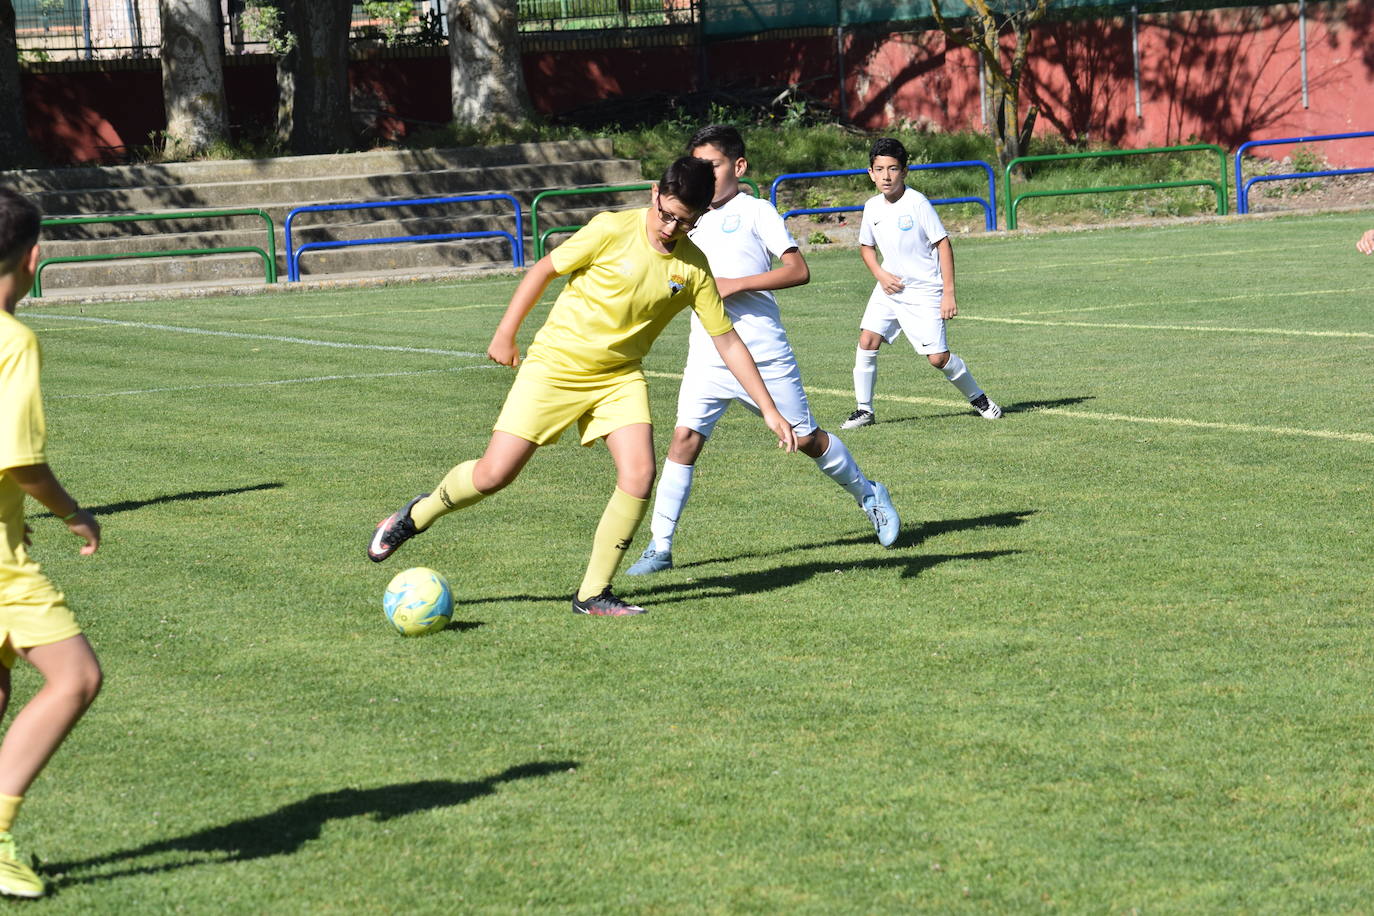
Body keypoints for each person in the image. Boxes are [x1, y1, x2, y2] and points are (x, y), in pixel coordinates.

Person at [368, 157, 798, 616]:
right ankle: (415, 515)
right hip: (555, 367)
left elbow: (728, 341)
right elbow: (543, 270)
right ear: (654, 193)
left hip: (618, 378)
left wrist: (769, 409)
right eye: (666, 214)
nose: (671, 228)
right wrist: (505, 333)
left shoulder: (694, 268)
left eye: (685, 221)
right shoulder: (610, 229)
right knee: (494, 475)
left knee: (639, 475)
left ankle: (593, 593)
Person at [626, 125, 899, 576]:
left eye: (711, 166)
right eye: (697, 166)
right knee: (684, 440)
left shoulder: (756, 211)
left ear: (738, 166)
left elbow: (798, 269)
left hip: (763, 352)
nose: (704, 175)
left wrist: (737, 284)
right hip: (710, 352)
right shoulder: (686, 217)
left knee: (807, 439)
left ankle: (870, 494)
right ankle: (660, 546)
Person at [0, 188, 104, 899]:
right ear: (34, 258)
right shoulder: (13, 342)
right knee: (76, 678)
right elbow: (22, 463)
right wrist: (74, 513)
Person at [840, 137, 1001, 429]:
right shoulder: (872, 207)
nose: (886, 176)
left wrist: (948, 293)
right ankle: (864, 410)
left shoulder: (917, 203)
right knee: (867, 340)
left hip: (924, 290)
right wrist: (880, 273)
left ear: (905, 172)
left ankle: (979, 398)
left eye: (893, 169)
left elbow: (943, 244)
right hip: (888, 288)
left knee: (937, 358)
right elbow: (866, 247)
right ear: (870, 173)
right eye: (880, 169)